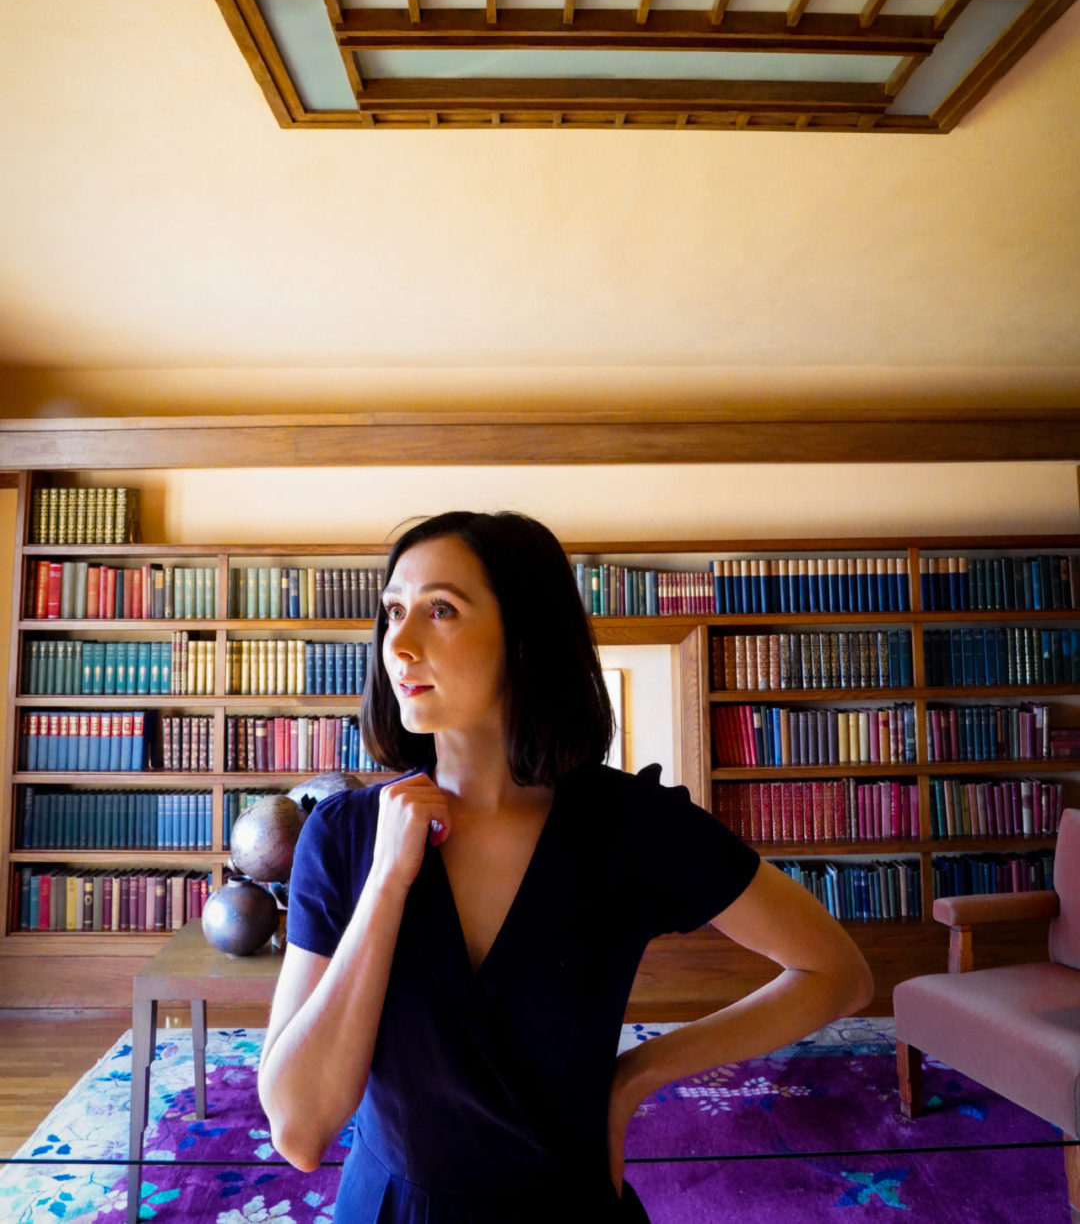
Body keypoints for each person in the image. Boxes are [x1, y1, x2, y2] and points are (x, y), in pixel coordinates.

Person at [258, 511, 873, 1223]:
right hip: (391, 1206)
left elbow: (839, 973)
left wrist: (635, 1077)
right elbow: (300, 1132)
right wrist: (388, 882)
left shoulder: (631, 826)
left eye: (441, 610)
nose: (399, 641)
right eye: (393, 611)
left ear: (524, 637)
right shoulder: (342, 835)